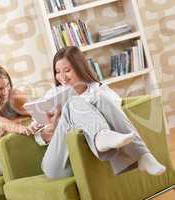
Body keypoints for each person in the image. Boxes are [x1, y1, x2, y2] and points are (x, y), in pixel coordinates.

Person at [34, 46, 166, 179]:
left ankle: (142, 154)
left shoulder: (99, 91)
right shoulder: (51, 97)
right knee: (73, 102)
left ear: (80, 68)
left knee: (98, 98)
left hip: (88, 161)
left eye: (67, 70)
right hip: (59, 164)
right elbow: (38, 137)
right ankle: (102, 136)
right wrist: (50, 130)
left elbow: (118, 116)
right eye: (57, 72)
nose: (62, 77)